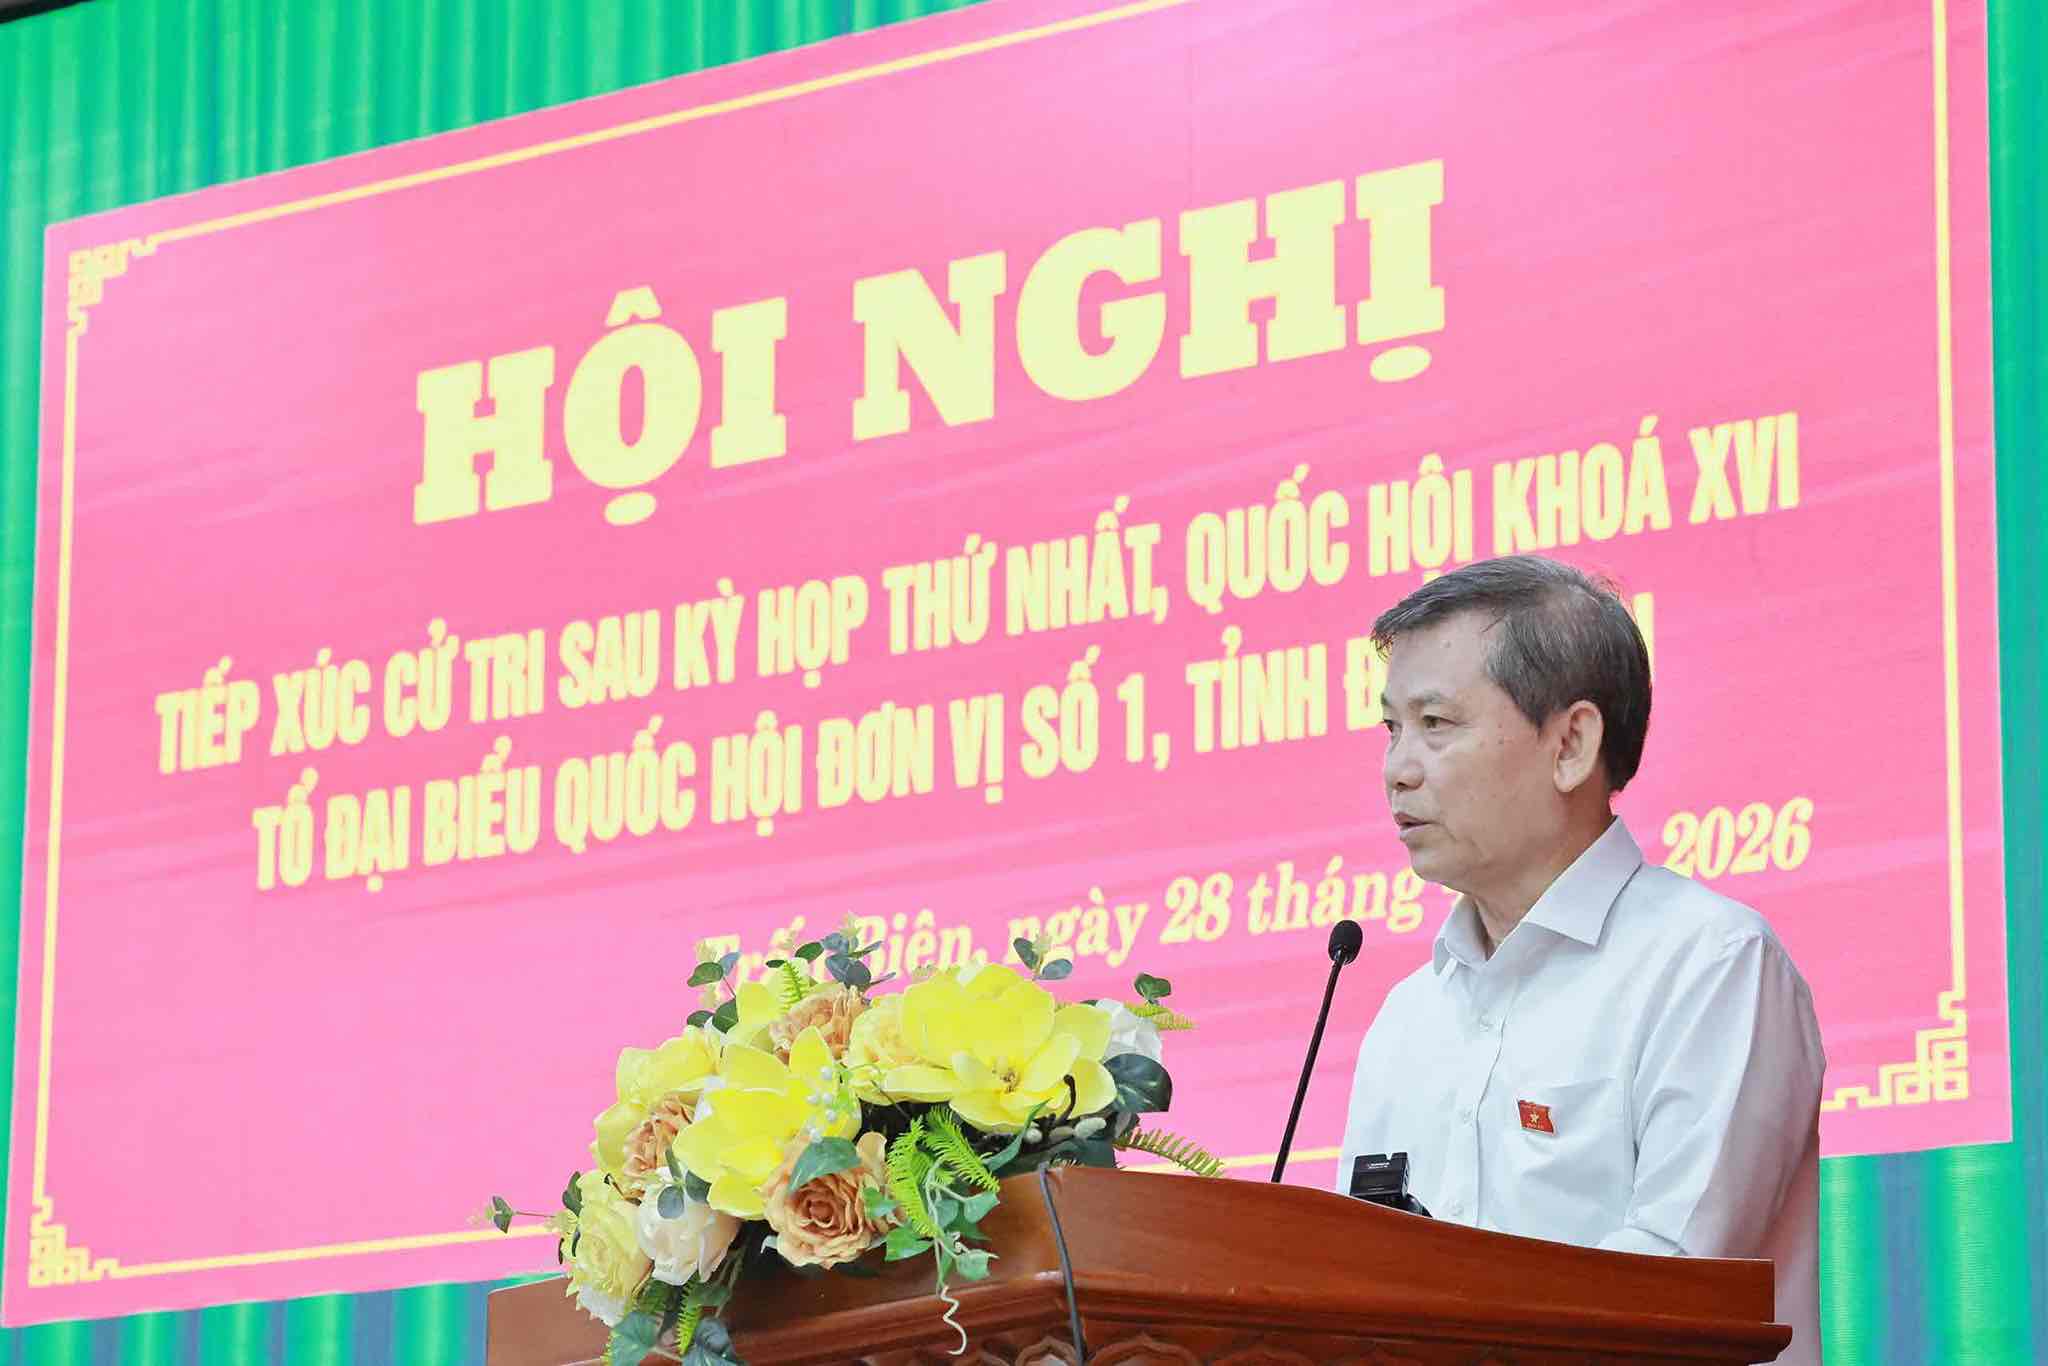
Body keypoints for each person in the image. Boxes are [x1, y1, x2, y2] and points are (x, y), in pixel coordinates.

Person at [1336, 555, 1824, 1366]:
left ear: (1570, 743)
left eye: (1436, 724)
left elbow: (1670, 1286)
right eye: (1391, 728)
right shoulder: (1406, 1018)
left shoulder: (1709, 965)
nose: (1398, 768)